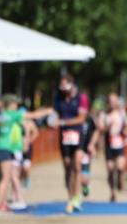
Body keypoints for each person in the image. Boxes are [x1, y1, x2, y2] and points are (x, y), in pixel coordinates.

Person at [27, 75, 89, 213]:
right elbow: (52, 112)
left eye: (65, 86)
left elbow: (81, 118)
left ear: (72, 85)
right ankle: (70, 196)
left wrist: (63, 122)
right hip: (65, 136)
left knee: (77, 165)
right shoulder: (58, 97)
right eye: (61, 87)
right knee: (67, 166)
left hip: (78, 134)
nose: (63, 89)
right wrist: (32, 115)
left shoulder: (81, 97)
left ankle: (77, 198)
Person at [0, 95, 27, 213]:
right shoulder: (12, 115)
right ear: (11, 104)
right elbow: (31, 116)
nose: (17, 106)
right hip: (5, 149)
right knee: (5, 178)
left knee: (1, 177)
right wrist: (48, 111)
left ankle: (2, 203)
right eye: (15, 103)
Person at [101, 92, 127, 202]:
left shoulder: (122, 113)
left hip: (119, 143)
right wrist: (107, 127)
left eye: (114, 100)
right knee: (110, 169)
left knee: (120, 166)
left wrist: (125, 131)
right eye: (110, 101)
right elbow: (100, 129)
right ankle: (112, 192)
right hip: (109, 144)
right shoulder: (105, 114)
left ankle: (120, 177)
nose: (112, 103)